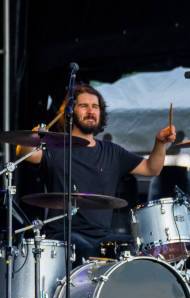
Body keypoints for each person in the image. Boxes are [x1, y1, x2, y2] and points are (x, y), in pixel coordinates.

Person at [19, 83, 176, 262]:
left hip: (103, 237)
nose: (91, 111)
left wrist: (160, 143)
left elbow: (151, 169)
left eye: (95, 106)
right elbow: (25, 154)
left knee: (139, 253)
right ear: (69, 112)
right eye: (84, 106)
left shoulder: (112, 152)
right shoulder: (56, 148)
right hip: (64, 237)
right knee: (84, 247)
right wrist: (33, 137)